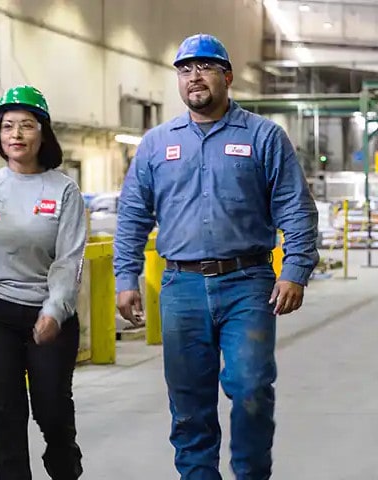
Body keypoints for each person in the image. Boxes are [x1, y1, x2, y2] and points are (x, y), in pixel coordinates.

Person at [113, 34, 318, 480]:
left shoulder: (264, 137)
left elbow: (295, 207)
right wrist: (125, 277)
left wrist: (297, 269)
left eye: (204, 67)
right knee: (188, 403)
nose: (194, 77)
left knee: (251, 388)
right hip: (181, 287)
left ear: (226, 77)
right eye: (185, 70)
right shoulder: (156, 144)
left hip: (248, 283)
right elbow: (131, 216)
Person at [0, 85, 86, 480]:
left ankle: (65, 468)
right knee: (4, 413)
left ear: (42, 133)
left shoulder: (63, 190)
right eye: (8, 126)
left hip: (49, 316)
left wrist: (54, 311)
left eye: (26, 126)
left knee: (52, 409)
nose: (15, 134)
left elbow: (68, 260)